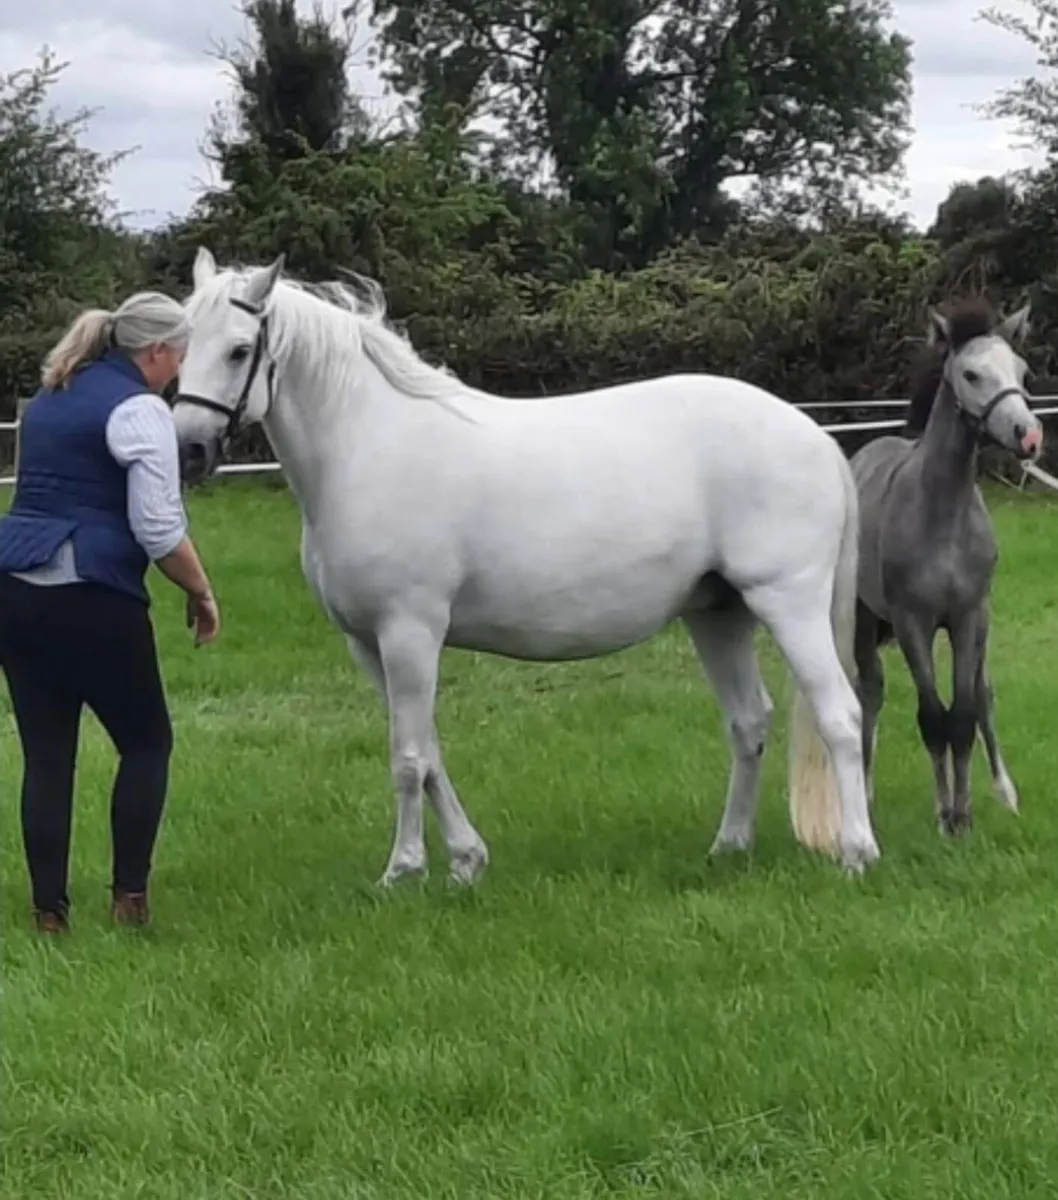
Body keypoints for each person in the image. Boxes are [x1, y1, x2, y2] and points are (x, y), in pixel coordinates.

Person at [0, 291, 220, 935]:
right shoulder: (140, 408)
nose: (179, 371)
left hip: (14, 589)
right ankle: (130, 902)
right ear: (157, 351)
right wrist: (202, 591)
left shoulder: (50, 396)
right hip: (92, 592)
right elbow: (158, 528)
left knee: (47, 756)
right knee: (147, 743)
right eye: (179, 358)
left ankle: (49, 914)